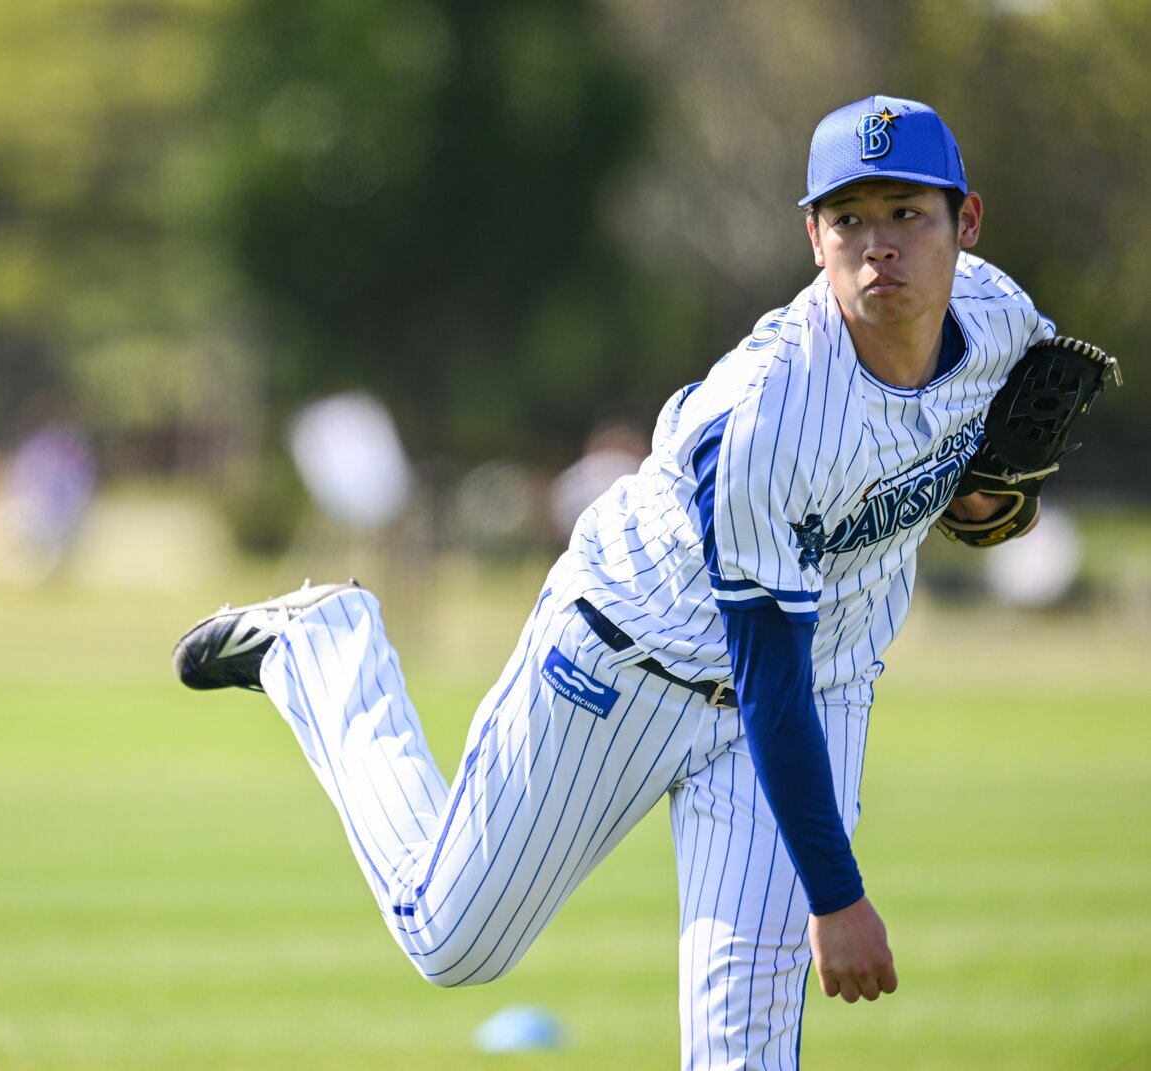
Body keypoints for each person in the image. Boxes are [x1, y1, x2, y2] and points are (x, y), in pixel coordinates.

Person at [173, 94, 1051, 1068]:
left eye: (906, 213)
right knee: (451, 940)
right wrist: (836, 895)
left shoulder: (1005, 321)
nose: (877, 244)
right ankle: (323, 648)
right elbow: (765, 678)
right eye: (848, 219)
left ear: (965, 223)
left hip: (823, 681)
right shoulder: (764, 415)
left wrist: (979, 497)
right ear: (812, 237)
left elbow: (980, 464)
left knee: (744, 1052)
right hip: (627, 656)